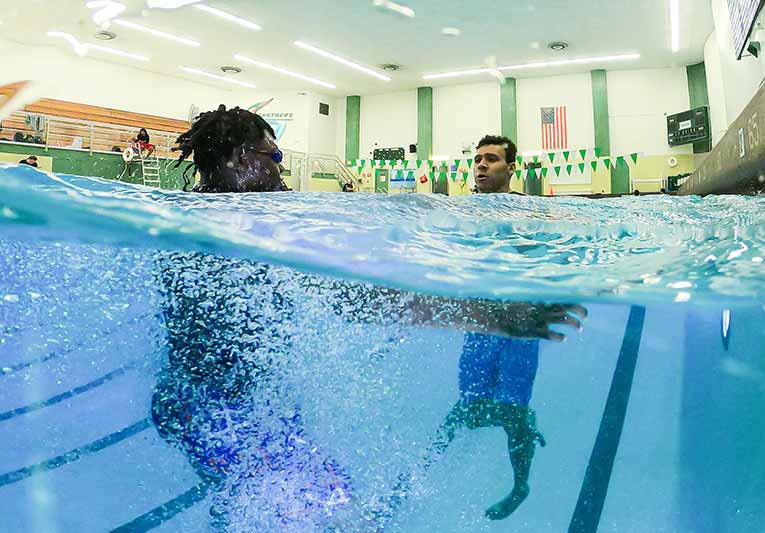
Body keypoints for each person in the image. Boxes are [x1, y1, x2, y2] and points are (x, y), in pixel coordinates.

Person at [151, 106, 584, 530]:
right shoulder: (231, 232)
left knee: (267, 502)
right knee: (336, 516)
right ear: (243, 159)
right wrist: (497, 317)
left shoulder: (195, 221)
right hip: (221, 414)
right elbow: (360, 300)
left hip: (202, 406)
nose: (281, 169)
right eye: (275, 155)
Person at [420, 135, 579, 522]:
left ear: (510, 168)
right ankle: (422, 471)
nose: (481, 165)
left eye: (491, 159)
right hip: (481, 320)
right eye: (477, 159)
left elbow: (555, 253)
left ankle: (520, 486)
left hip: (520, 325)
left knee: (512, 411)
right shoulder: (461, 212)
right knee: (469, 407)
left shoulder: (530, 211)